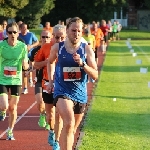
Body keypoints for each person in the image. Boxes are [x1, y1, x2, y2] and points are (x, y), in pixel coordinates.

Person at [47, 17, 98, 150]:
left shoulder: (86, 49)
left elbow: (95, 75)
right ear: (67, 31)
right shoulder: (57, 47)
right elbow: (50, 62)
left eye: (79, 31)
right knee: (69, 123)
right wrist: (51, 81)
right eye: (73, 30)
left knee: (72, 129)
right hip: (62, 91)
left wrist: (83, 64)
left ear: (82, 32)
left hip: (80, 94)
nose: (76, 34)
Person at [34, 24, 66, 148]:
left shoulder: (69, 49)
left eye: (62, 38)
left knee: (59, 114)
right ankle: (52, 131)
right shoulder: (46, 47)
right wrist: (48, 61)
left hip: (63, 85)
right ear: (53, 36)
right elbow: (36, 64)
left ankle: (57, 142)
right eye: (56, 37)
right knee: (50, 115)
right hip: (47, 84)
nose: (59, 40)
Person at [0, 22, 29, 140]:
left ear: (18, 33)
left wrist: (25, 66)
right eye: (10, 32)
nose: (12, 34)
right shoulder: (1, 46)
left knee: (13, 108)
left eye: (14, 32)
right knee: (4, 106)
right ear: (7, 33)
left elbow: (26, 63)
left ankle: (10, 131)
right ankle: (2, 111)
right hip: (2, 79)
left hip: (16, 80)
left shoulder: (22, 47)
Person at [28, 30, 51, 129]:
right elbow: (31, 63)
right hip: (39, 80)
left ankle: (50, 123)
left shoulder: (54, 49)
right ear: (40, 38)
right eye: (43, 37)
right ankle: (42, 114)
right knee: (40, 102)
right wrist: (29, 71)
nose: (45, 39)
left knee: (51, 106)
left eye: (47, 37)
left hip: (50, 80)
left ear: (50, 38)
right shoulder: (35, 51)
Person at [19, 23, 39, 94]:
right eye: (23, 28)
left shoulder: (30, 34)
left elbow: (37, 42)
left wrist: (31, 46)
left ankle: (25, 87)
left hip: (29, 55)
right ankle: (20, 85)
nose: (25, 29)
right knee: (20, 72)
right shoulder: (18, 36)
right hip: (20, 56)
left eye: (26, 28)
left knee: (25, 71)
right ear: (20, 28)